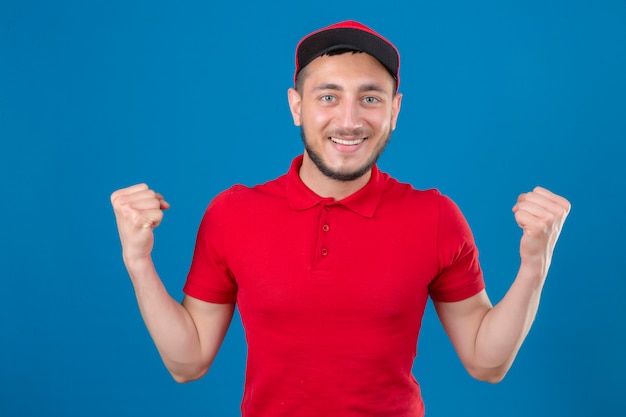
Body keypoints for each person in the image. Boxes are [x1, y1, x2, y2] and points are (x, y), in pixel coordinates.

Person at [110, 20, 571, 417]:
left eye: (370, 99)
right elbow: (187, 362)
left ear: (395, 110)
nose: (349, 121)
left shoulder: (434, 216)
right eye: (328, 96)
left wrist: (535, 263)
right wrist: (138, 261)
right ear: (296, 106)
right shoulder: (233, 213)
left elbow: (485, 362)